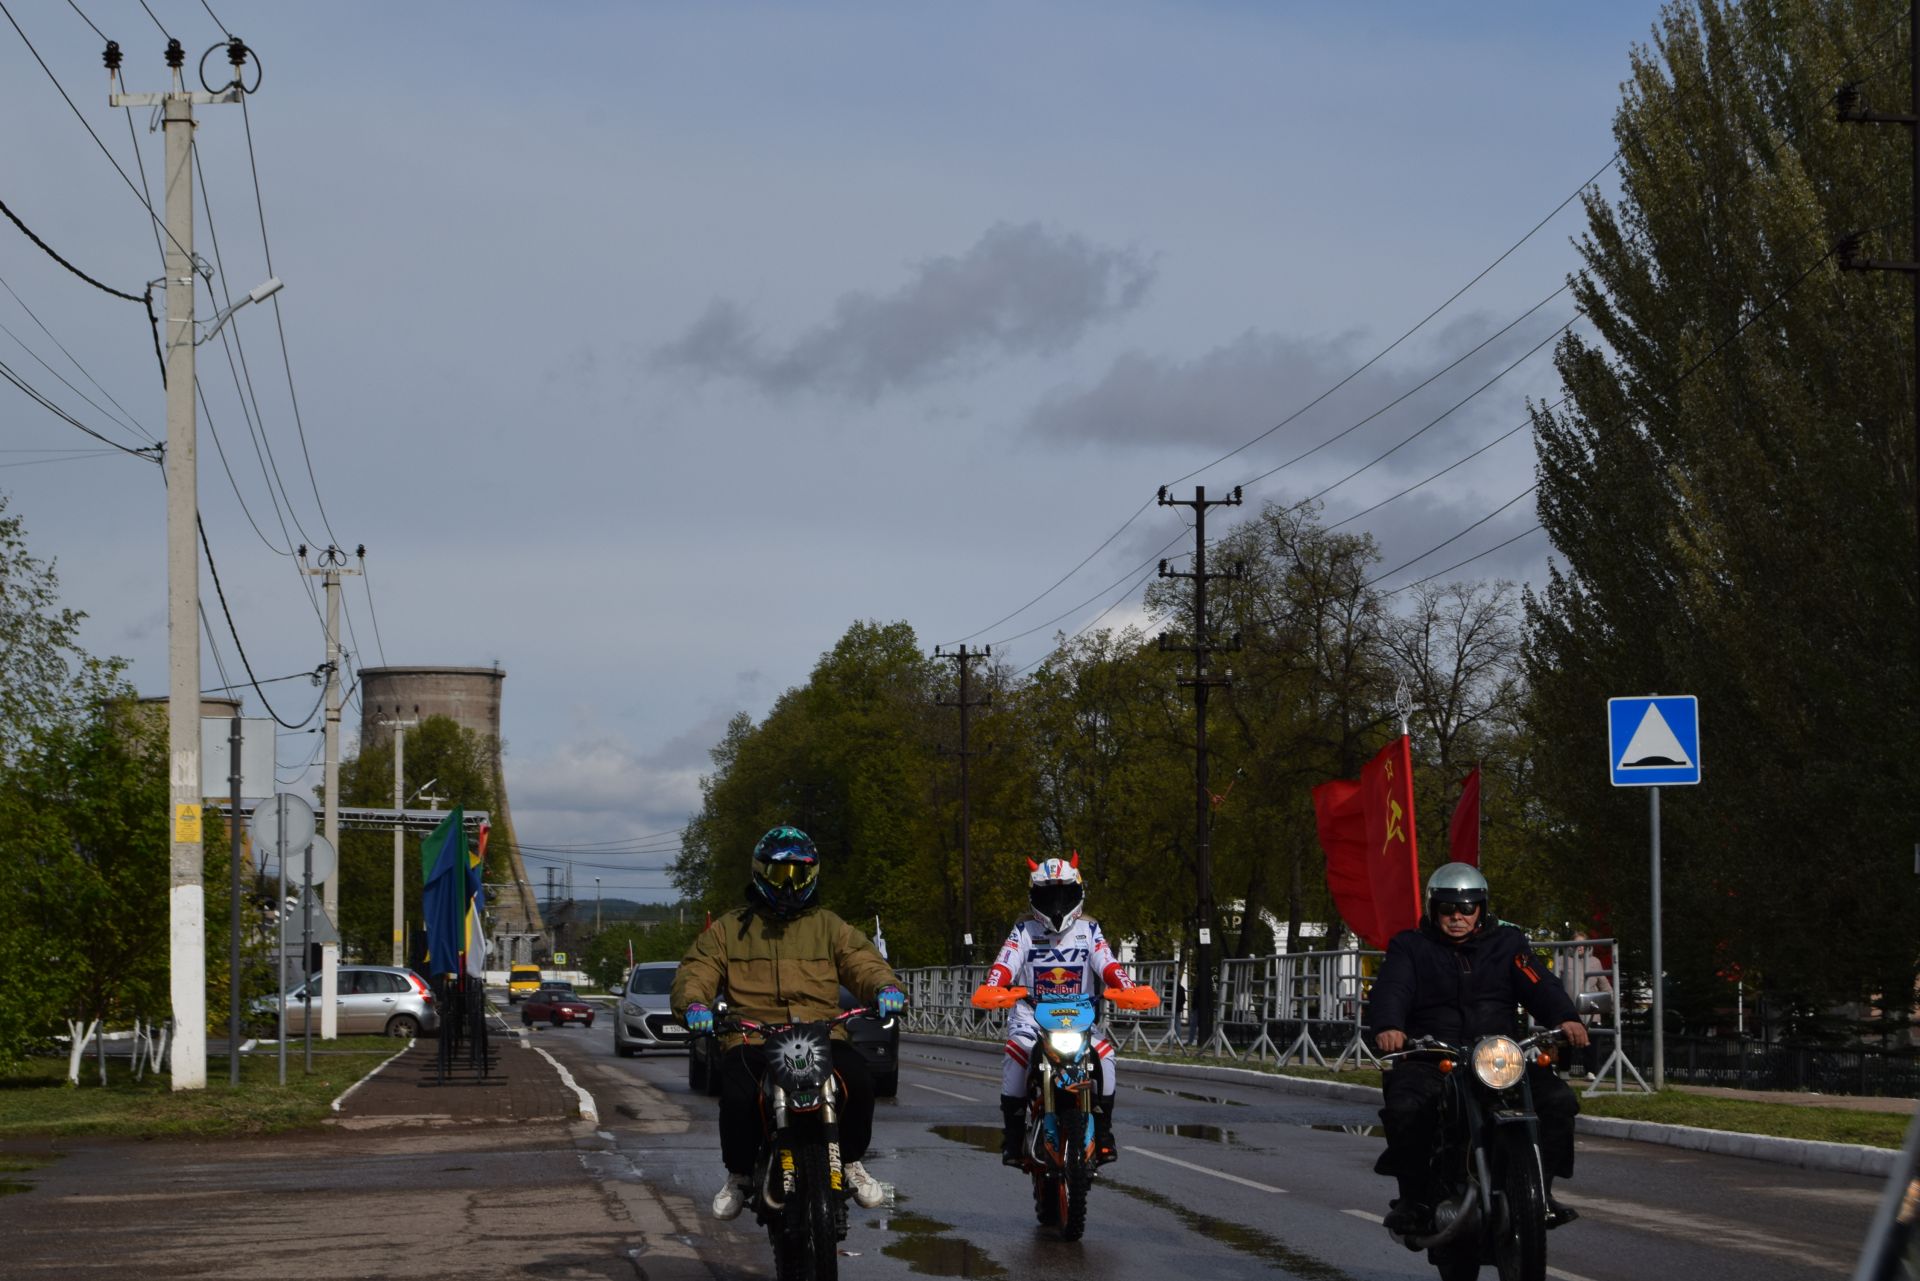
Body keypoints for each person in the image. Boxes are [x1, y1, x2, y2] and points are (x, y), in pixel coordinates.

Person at [671, 825, 906, 1221]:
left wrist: (884, 987)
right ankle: (741, 1174)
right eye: (781, 874)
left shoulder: (830, 926)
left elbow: (863, 962)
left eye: (800, 874)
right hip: (752, 1036)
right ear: (761, 873)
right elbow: (696, 971)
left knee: (861, 1083)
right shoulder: (730, 929)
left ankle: (848, 1162)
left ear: (813, 875)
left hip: (822, 1033)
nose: (790, 885)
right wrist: (694, 1005)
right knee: (738, 1094)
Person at [1368, 861, 1588, 1235]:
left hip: (1498, 1056)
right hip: (1433, 1056)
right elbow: (1393, 987)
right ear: (1433, 909)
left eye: (1467, 908)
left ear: (1481, 909)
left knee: (1557, 1101)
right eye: (1448, 909)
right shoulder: (1411, 946)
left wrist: (1566, 1017)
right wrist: (1390, 1025)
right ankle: (1414, 1199)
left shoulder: (1508, 944)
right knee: (1406, 1106)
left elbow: (1539, 981)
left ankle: (1542, 1195)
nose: (1458, 917)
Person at [972, 854, 1159, 1167]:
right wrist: (994, 985)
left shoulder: (1090, 931)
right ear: (1034, 896)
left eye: (1063, 894)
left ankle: (1103, 1132)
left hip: (1080, 1019)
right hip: (1032, 1018)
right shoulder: (1023, 931)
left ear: (1078, 892)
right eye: (1048, 895)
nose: (1056, 904)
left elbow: (1109, 963)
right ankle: (1013, 1135)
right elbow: (1005, 963)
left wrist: (1126, 986)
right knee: (1016, 1054)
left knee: (1107, 1057)